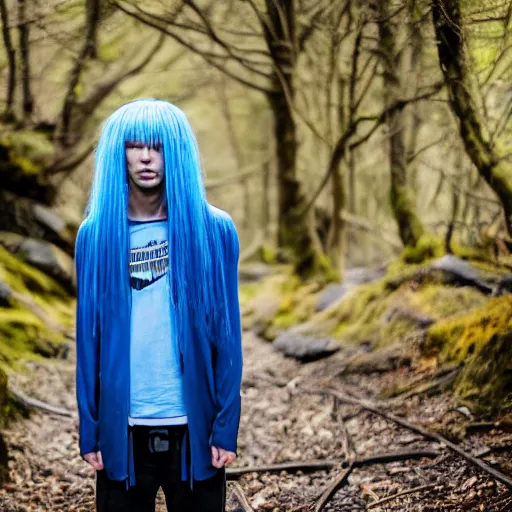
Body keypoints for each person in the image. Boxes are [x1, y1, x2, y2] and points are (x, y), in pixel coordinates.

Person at [74, 98, 243, 512]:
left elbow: (228, 335)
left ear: (177, 152)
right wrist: (90, 428)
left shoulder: (213, 230)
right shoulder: (95, 236)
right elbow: (87, 341)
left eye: (159, 145)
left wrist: (225, 425)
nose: (147, 156)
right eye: (135, 145)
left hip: (195, 432)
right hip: (123, 432)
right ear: (120, 152)